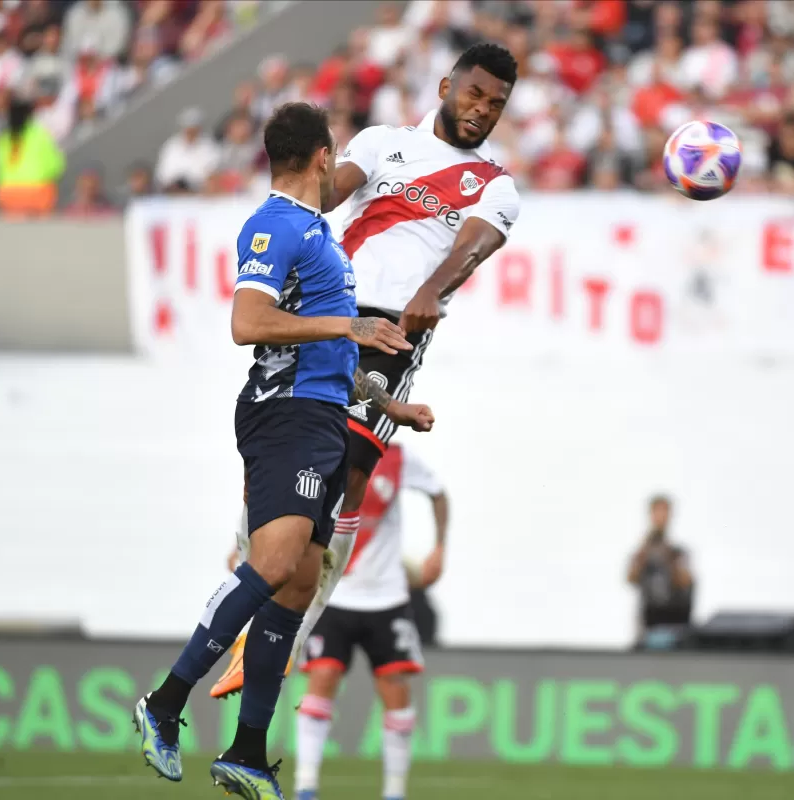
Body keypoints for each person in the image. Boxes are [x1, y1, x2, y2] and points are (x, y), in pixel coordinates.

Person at [132, 101, 433, 800]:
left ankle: (245, 750)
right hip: (284, 415)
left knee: (298, 584)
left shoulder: (320, 237)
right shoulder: (273, 225)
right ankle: (164, 702)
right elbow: (248, 322)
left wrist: (391, 407)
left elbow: (328, 344)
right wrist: (352, 325)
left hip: (326, 418)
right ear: (325, 157)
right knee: (270, 564)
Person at [211, 42, 520, 699]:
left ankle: (291, 634)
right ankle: (245, 576)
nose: (482, 110)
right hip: (331, 309)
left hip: (393, 336)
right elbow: (320, 198)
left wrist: (431, 292)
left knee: (348, 470)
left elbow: (474, 245)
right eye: (474, 94)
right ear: (445, 85)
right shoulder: (383, 144)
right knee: (281, 458)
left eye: (496, 103)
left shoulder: (495, 185)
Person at [294, 441, 447, 800]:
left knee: (396, 690)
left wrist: (440, 547)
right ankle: (305, 787)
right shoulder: (326, 446)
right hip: (333, 595)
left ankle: (394, 792)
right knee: (322, 678)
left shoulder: (397, 456)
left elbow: (439, 493)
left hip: (387, 597)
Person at [626, 495, 694, 648]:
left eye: (664, 512)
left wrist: (669, 558)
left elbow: (685, 581)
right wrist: (645, 549)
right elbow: (631, 578)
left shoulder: (678, 552)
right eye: (657, 512)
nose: (661, 516)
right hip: (647, 625)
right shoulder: (642, 551)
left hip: (675, 625)